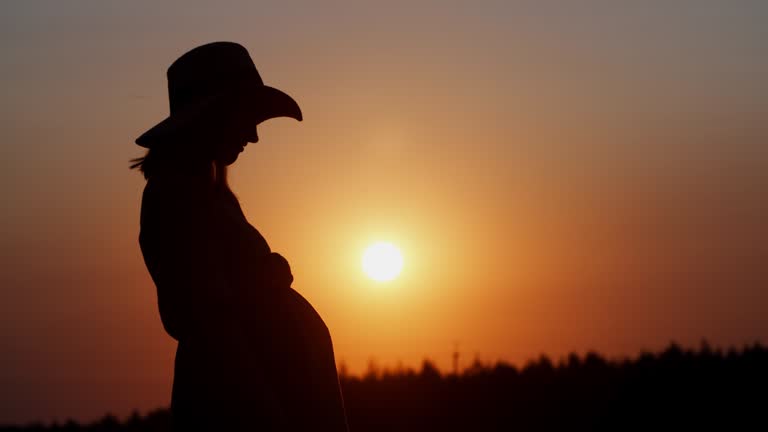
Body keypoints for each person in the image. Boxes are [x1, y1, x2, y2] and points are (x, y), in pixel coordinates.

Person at [132, 41, 349, 431]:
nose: (253, 135)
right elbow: (209, 323)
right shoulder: (176, 197)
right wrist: (269, 414)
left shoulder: (207, 196)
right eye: (245, 117)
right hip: (242, 405)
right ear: (212, 115)